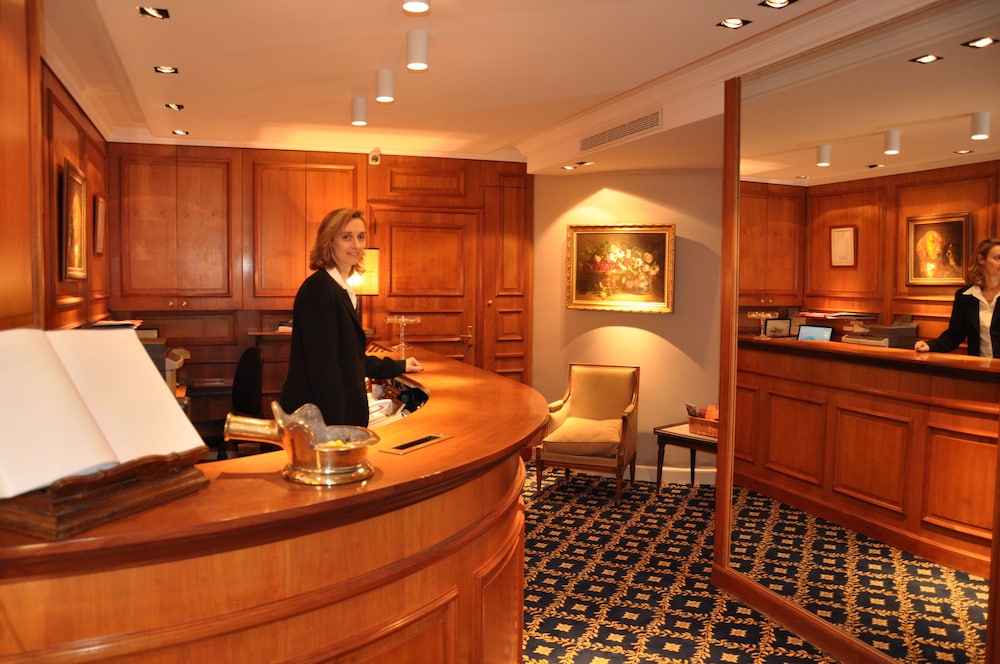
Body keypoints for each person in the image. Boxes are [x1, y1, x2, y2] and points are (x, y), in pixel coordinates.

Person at [280, 208, 422, 425]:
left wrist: (398, 366)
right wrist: (340, 430)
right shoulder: (319, 289)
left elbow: (351, 359)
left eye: (361, 237)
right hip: (322, 419)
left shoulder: (340, 289)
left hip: (333, 416)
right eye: (346, 237)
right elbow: (324, 370)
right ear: (329, 241)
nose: (356, 245)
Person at [914, 238, 1000, 357]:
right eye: (998, 258)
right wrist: (930, 346)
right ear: (981, 259)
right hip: (978, 366)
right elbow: (955, 335)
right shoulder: (965, 296)